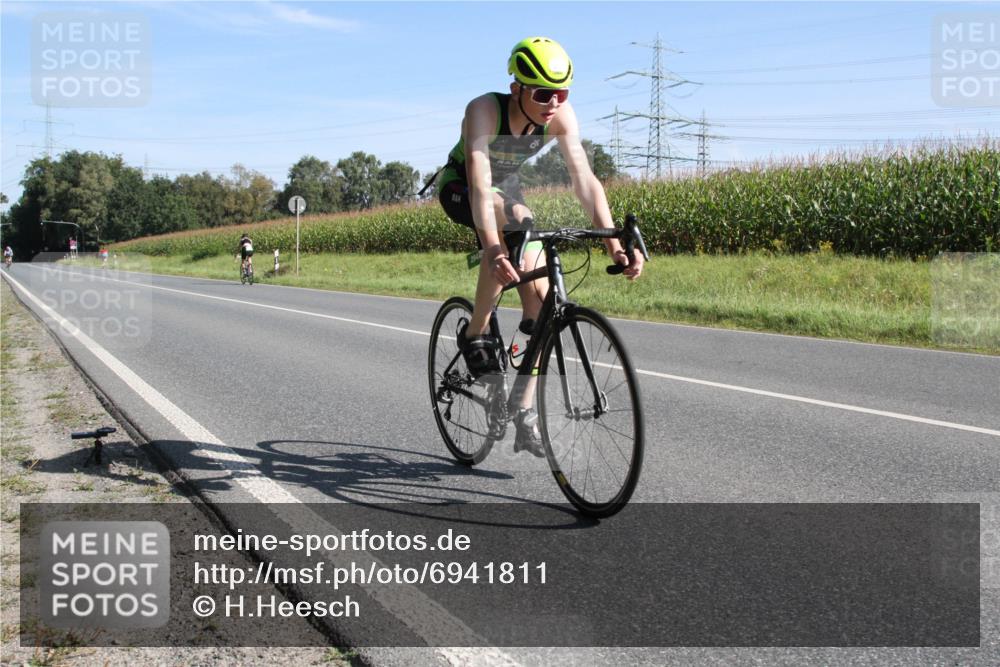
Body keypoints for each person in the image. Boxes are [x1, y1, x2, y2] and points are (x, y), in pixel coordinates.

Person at [436, 36, 644, 456]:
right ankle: (475, 333)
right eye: (542, 93)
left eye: (561, 93)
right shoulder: (484, 110)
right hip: (462, 187)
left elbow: (585, 181)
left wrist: (613, 245)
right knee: (514, 216)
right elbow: (479, 183)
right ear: (517, 89)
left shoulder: (560, 116)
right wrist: (493, 248)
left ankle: (524, 410)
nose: (553, 103)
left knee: (542, 302)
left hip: (507, 192)